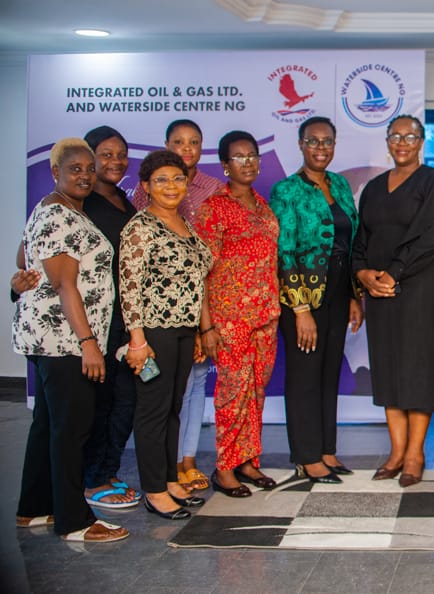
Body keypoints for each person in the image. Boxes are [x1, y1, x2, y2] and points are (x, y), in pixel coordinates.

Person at [13, 138, 129, 542]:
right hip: (64, 340)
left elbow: (24, 258)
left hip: (51, 338)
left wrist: (23, 279)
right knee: (72, 429)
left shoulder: (58, 209)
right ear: (55, 172)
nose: (84, 175)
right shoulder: (58, 214)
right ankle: (74, 522)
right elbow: (65, 285)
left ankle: (33, 508)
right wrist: (88, 343)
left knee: (48, 424)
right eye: (75, 169)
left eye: (89, 169)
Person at [354, 115, 434, 488]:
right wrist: (363, 273)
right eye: (395, 136)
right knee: (388, 368)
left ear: (421, 141)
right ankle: (396, 452)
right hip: (380, 292)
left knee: (418, 370)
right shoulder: (373, 187)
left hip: (420, 290)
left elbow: (433, 235)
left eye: (410, 136)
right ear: (387, 141)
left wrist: (394, 272)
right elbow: (362, 237)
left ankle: (415, 454)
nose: (402, 142)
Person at [120, 150, 213, 520]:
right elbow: (129, 287)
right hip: (153, 335)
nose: (171, 186)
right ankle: (154, 491)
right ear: (145, 186)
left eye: (177, 178)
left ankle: (170, 480)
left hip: (182, 332)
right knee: (153, 411)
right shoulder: (140, 227)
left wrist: (197, 332)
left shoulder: (184, 224)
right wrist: (137, 341)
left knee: (174, 408)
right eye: (161, 180)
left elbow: (196, 281)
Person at [270, 116, 363, 485]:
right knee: (305, 375)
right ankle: (306, 456)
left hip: (338, 291)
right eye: (313, 141)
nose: (320, 148)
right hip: (303, 296)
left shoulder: (339, 184)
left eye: (327, 141)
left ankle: (326, 450)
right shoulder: (286, 190)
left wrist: (354, 295)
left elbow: (349, 244)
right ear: (301, 144)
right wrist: (300, 309)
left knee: (328, 372)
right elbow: (284, 252)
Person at [133, 119, 222, 492]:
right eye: (179, 142)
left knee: (185, 393)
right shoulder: (143, 215)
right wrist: (137, 338)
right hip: (157, 323)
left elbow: (203, 269)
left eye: (194, 142)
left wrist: (205, 325)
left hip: (195, 315)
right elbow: (133, 282)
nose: (187, 149)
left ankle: (182, 466)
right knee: (159, 404)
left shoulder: (202, 202)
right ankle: (160, 482)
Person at [193, 131, 280, 497]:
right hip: (230, 320)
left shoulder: (263, 205)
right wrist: (207, 327)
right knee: (232, 393)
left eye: (253, 156)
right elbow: (199, 272)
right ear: (225, 165)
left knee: (256, 392)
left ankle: (248, 460)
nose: (248, 162)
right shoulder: (214, 208)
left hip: (266, 316)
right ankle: (225, 468)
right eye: (239, 157)